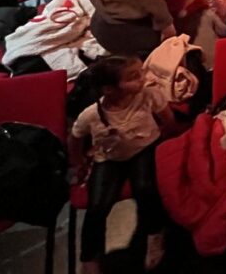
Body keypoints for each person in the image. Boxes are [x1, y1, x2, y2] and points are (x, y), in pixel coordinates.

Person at [70, 55, 172, 273]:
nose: (143, 79)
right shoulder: (92, 115)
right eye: (134, 77)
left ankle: (155, 233)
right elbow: (75, 136)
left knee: (145, 187)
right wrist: (78, 161)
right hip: (108, 158)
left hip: (144, 149)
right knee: (97, 205)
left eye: (141, 72)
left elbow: (167, 117)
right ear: (109, 89)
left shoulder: (147, 96)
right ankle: (90, 256)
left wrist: (165, 138)